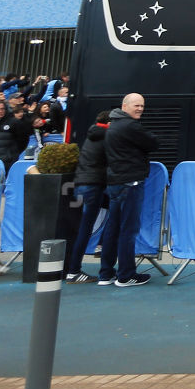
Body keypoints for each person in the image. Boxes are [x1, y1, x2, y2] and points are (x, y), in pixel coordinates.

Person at [98, 92, 157, 288]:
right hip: (130, 183)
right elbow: (153, 143)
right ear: (125, 106)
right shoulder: (130, 126)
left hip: (115, 183)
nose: (140, 108)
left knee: (112, 229)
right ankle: (125, 275)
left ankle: (106, 274)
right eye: (136, 105)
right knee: (128, 230)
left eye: (142, 105)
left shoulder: (114, 124)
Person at [64, 110, 110, 283]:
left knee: (85, 225)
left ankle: (100, 245)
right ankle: (74, 270)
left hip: (82, 185)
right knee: (86, 228)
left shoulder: (93, 135)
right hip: (94, 186)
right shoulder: (107, 137)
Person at [0, 91, 33, 169]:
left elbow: (23, 139)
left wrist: (13, 154)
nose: (0, 111)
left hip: (8, 162)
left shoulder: (13, 122)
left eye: (2, 109)